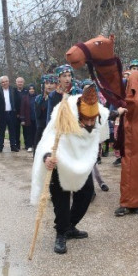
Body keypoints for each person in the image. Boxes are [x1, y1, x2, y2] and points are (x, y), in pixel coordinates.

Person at [31, 82, 109, 254]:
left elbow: (107, 119)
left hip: (82, 163)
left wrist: (119, 112)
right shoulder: (64, 114)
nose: (89, 122)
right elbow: (48, 139)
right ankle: (60, 233)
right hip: (60, 162)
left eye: (92, 119)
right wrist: (46, 157)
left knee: (86, 193)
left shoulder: (99, 115)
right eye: (86, 119)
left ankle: (69, 226)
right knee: (61, 200)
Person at [0, 76, 22, 152]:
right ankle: (0, 146)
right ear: (1, 83)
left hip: (12, 113)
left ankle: (13, 146)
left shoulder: (13, 90)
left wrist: (17, 112)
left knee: (12, 130)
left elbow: (17, 102)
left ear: (8, 81)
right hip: (2, 114)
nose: (5, 83)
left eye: (6, 81)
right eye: (3, 82)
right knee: (1, 131)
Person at [33, 74, 57, 150]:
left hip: (54, 129)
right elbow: (37, 115)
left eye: (51, 83)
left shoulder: (58, 97)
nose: (49, 86)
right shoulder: (38, 98)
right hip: (41, 129)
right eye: (47, 83)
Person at [21, 84, 36, 152]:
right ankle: (29, 146)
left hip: (36, 119)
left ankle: (35, 146)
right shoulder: (25, 98)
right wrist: (22, 119)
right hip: (28, 118)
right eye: (30, 89)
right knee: (28, 133)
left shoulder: (38, 97)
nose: (31, 90)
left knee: (35, 133)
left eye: (33, 89)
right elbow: (22, 109)